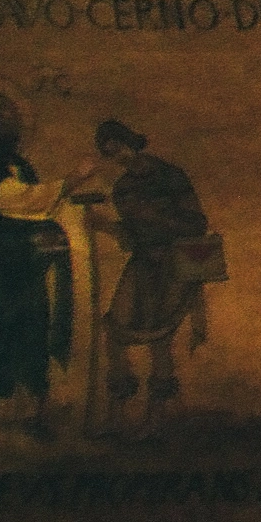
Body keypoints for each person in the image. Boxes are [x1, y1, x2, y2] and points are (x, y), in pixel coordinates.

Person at [74, 121, 211, 434]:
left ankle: (158, 413)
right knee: (116, 330)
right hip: (143, 263)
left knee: (159, 337)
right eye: (111, 154)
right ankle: (117, 409)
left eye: (119, 149)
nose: (119, 159)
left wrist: (157, 218)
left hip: (174, 263)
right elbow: (131, 237)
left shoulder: (171, 177)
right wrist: (104, 226)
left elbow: (196, 224)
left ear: (131, 143)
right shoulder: (123, 188)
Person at [0, 99, 70, 447]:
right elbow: (19, 202)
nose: (10, 138)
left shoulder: (20, 165)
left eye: (13, 132)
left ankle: (35, 413)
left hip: (26, 266)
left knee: (33, 331)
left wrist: (52, 235)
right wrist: (71, 181)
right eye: (1, 131)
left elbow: (36, 212)